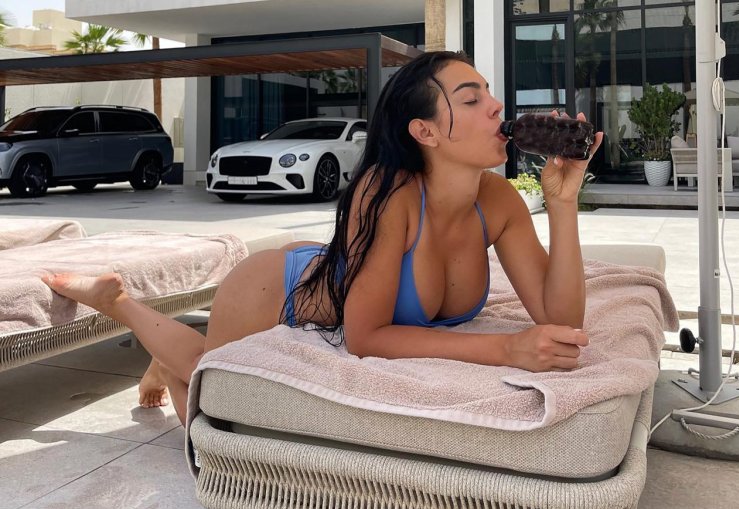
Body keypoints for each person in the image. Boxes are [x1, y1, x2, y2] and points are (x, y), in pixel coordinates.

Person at [42, 51, 603, 424]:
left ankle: (164, 359)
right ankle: (120, 301)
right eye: (471, 98)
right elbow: (364, 336)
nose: (497, 106)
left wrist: (562, 202)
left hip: (341, 267)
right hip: (277, 289)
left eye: (490, 93)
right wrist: (505, 348)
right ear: (425, 131)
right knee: (205, 385)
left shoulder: (498, 202)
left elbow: (562, 320)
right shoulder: (386, 193)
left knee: (198, 394)